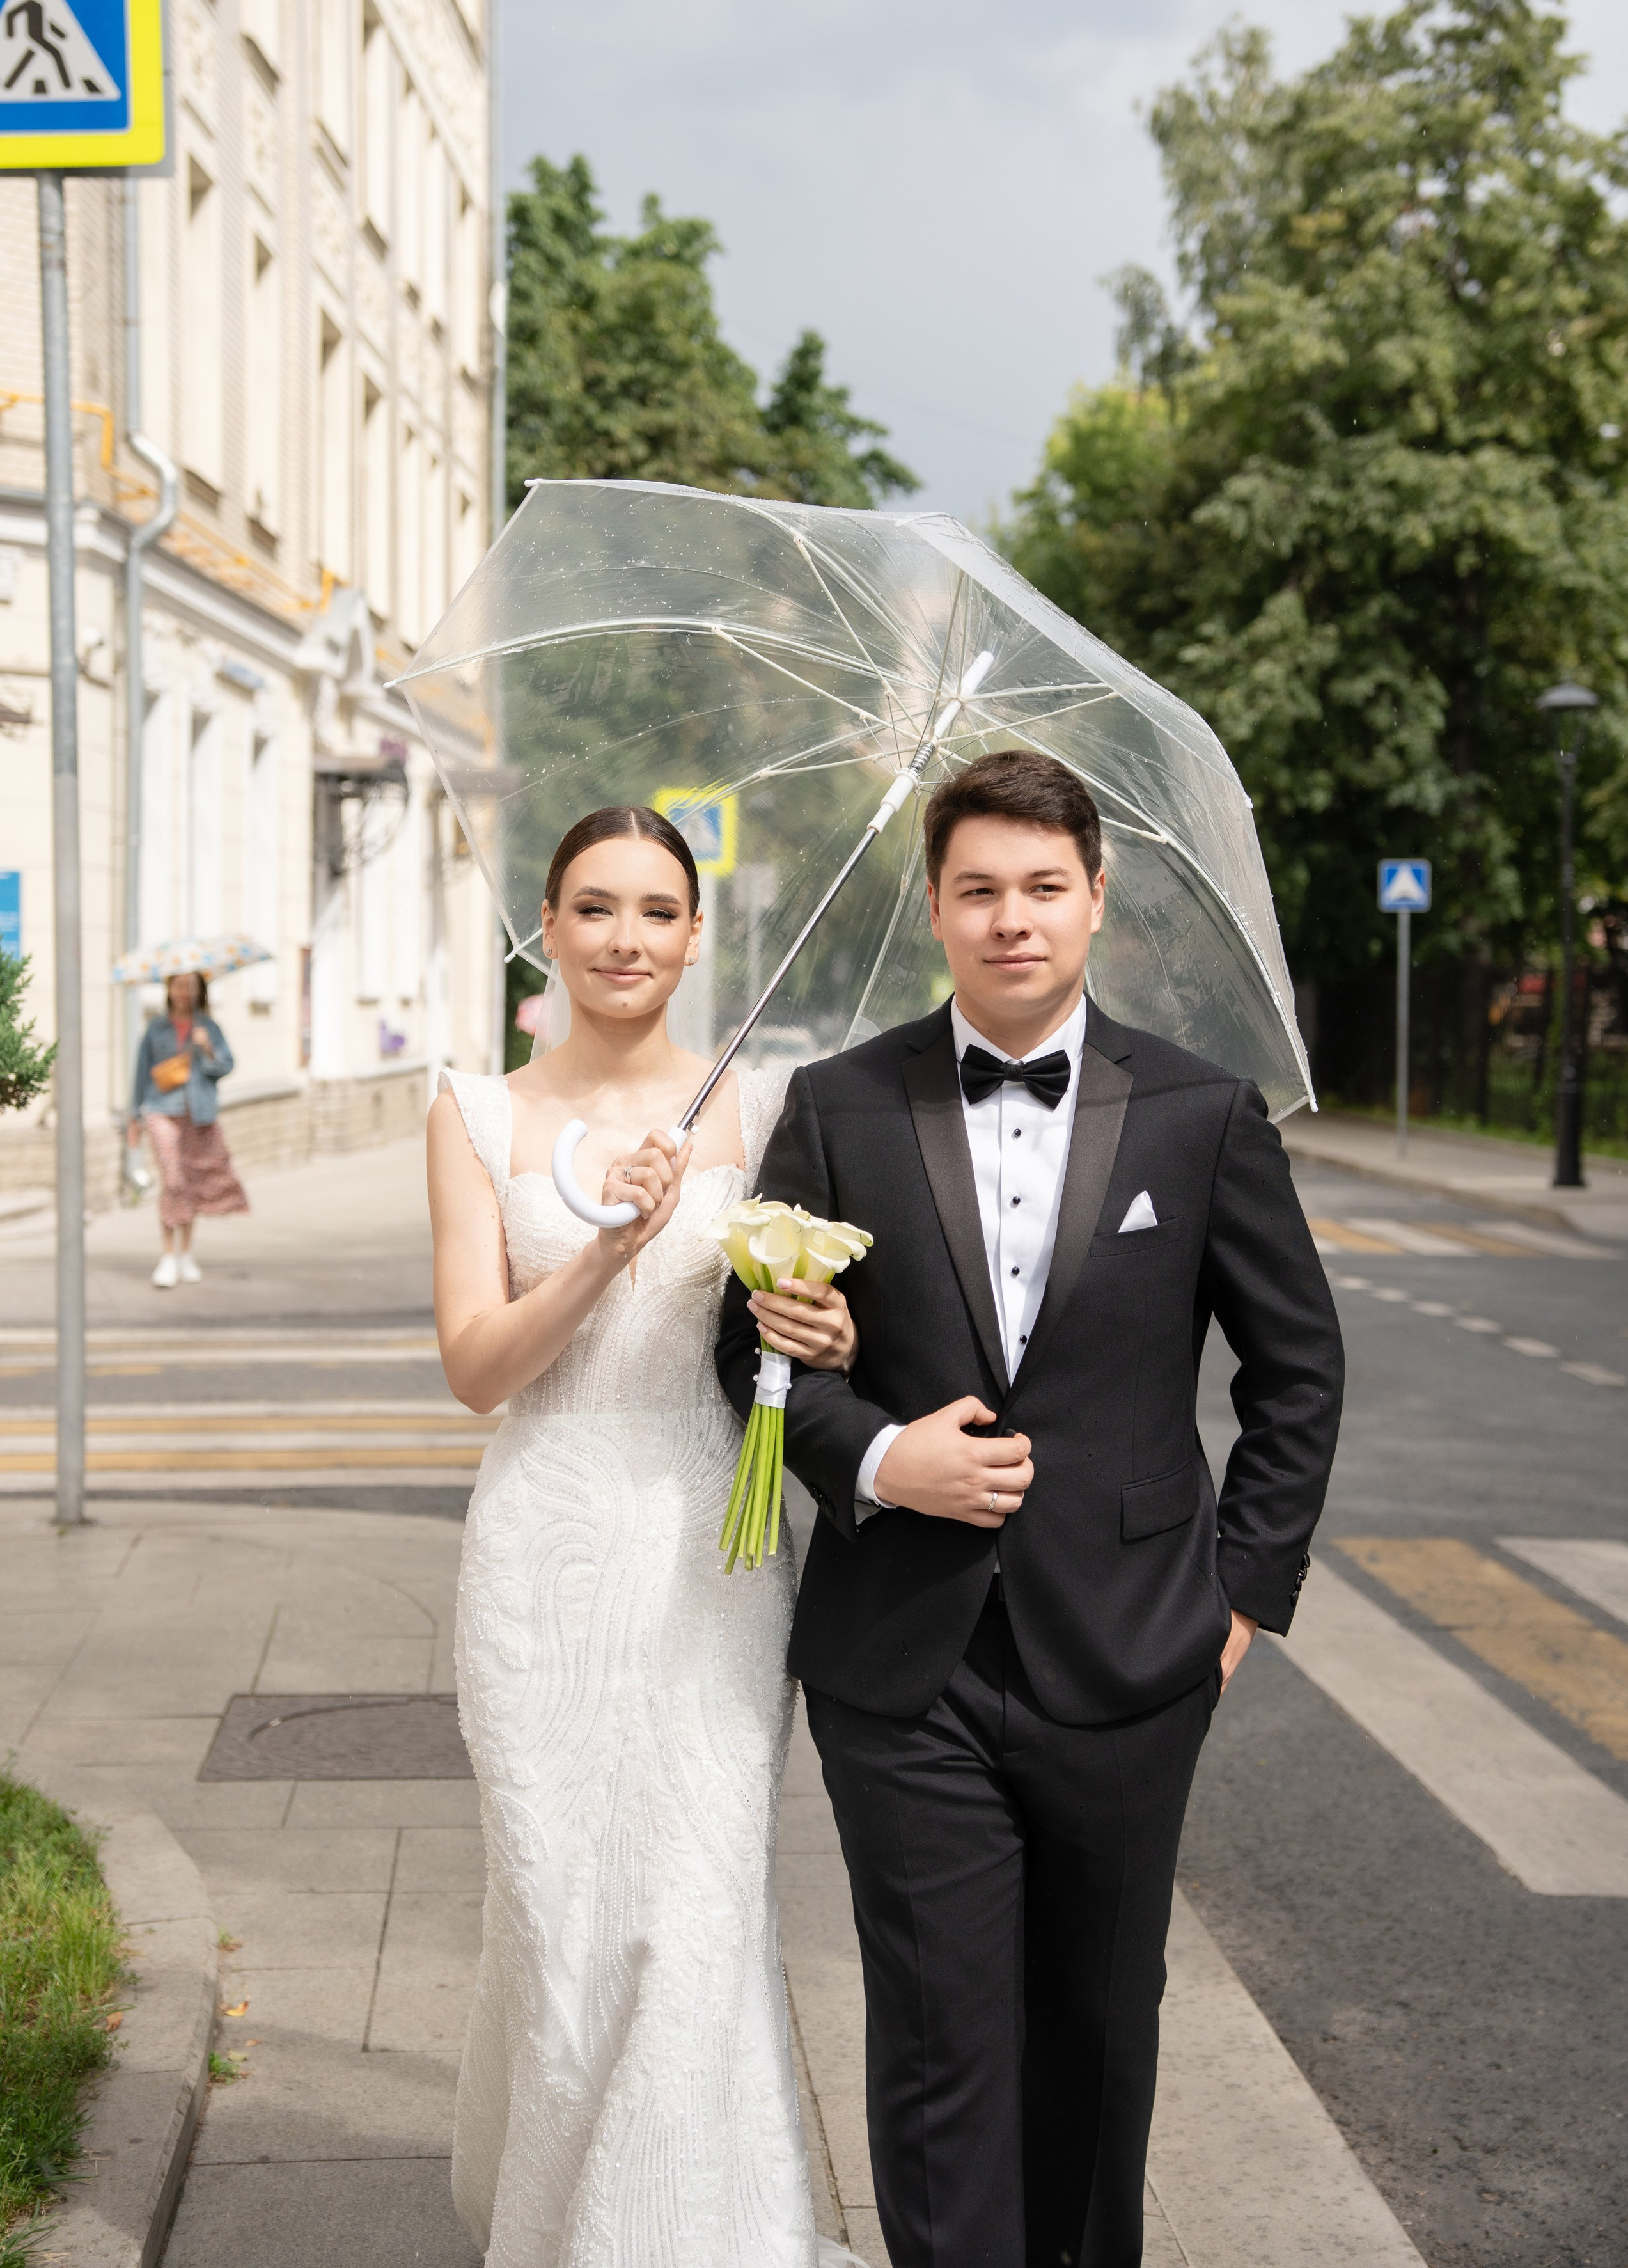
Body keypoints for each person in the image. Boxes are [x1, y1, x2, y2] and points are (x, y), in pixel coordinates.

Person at [717, 748, 1345, 2268]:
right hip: (900, 1665)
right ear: (932, 905)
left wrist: (1241, 1597)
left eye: (1040, 889)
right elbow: (750, 1348)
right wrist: (874, 1458)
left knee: (1092, 2036)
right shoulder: (837, 1102)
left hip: (1133, 1658)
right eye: (977, 890)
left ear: (1092, 900)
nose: (1011, 919)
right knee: (934, 2046)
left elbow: (1296, 1369)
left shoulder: (1200, 1114)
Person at [426, 803, 868, 2268]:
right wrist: (607, 1245)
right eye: (595, 908)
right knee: (560, 1916)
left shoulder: (768, 1109)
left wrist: (822, 1322)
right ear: (544, 929)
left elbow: (792, 1349)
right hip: (542, 1554)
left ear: (696, 934)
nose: (625, 939)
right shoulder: (474, 1116)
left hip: (712, 1552)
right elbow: (478, 1369)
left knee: (690, 1915)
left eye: (656, 912)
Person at [127, 972, 247, 1288]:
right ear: (169, 989)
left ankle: (186, 1254)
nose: (184, 993)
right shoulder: (156, 1028)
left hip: (199, 1113)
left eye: (190, 987)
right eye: (179, 986)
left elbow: (227, 1066)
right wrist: (133, 1117)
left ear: (200, 991)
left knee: (191, 1183)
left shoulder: (209, 1027)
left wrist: (207, 1049)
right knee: (174, 1180)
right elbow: (141, 1072)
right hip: (160, 1110)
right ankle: (168, 1256)